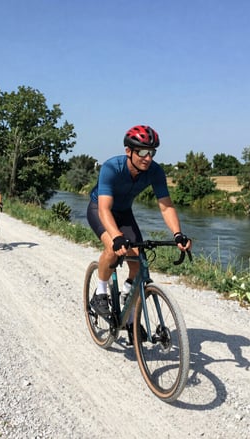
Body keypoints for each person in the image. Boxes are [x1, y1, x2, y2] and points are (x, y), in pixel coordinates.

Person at [87, 124, 192, 343]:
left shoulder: (155, 171)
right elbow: (105, 209)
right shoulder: (111, 167)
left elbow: (166, 205)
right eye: (142, 152)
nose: (147, 157)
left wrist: (178, 234)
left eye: (152, 152)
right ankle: (101, 293)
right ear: (129, 151)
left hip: (124, 212)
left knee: (138, 261)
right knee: (113, 249)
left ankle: (128, 301)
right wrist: (116, 237)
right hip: (100, 209)